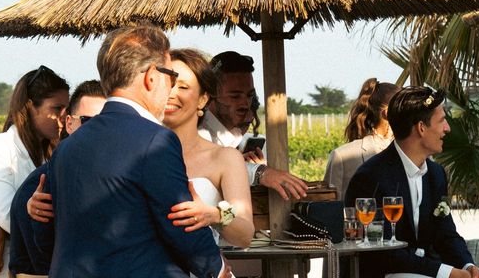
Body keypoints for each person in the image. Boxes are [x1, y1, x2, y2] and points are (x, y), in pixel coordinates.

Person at [48, 25, 227, 277]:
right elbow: (179, 221)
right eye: (171, 77)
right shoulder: (155, 141)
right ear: (151, 77)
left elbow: (46, 229)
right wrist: (217, 268)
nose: (171, 88)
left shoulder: (68, 146)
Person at [345, 86, 479, 278]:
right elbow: (382, 251)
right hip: (388, 273)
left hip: (429, 270)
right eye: (442, 120)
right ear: (421, 127)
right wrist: (447, 273)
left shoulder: (436, 174)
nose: (447, 128)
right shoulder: (371, 177)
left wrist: (467, 266)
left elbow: (446, 234)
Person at [0, 65, 69, 278]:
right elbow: (7, 215)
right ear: (31, 107)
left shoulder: (55, 154)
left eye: (67, 109)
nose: (63, 116)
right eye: (56, 108)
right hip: (1, 267)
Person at [9, 80, 106, 278]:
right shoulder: (41, 183)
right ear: (69, 123)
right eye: (88, 121)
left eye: (105, 121)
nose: (98, 130)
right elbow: (43, 261)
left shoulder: (106, 175)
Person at [164, 48, 254, 249]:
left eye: (183, 87)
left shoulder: (225, 158)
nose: (171, 94)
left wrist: (216, 214)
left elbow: (245, 231)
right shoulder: (136, 154)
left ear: (203, 99)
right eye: (166, 85)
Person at [198, 51, 307, 200]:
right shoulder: (197, 132)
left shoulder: (241, 140)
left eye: (249, 96)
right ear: (210, 95)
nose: (244, 104)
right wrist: (260, 173)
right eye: (235, 96)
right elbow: (207, 163)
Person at [323, 78, 400, 200]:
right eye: (404, 109)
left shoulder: (415, 153)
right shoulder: (342, 157)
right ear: (387, 113)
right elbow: (330, 210)